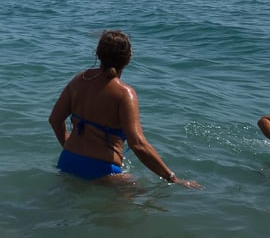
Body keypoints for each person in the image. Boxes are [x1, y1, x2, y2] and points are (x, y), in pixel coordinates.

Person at [48, 30, 200, 187]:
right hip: (103, 171)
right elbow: (138, 145)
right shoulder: (124, 93)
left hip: (67, 161)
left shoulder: (79, 79)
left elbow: (55, 119)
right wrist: (174, 179)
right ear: (128, 59)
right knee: (148, 200)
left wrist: (69, 147)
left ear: (98, 54)